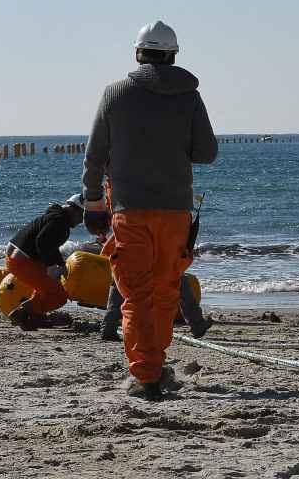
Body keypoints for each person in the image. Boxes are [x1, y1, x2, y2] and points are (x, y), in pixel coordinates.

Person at [82, 20, 218, 400]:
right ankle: (154, 365)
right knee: (164, 292)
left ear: (138, 53)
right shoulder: (190, 97)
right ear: (173, 56)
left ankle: (146, 374)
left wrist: (93, 204)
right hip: (175, 213)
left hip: (129, 211)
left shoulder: (115, 94)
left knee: (136, 295)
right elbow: (206, 153)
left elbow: (94, 156)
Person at [83, 207, 213, 342]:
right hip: (149, 264)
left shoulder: (127, 217)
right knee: (181, 282)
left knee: (117, 292)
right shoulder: (154, 218)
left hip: (124, 263)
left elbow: (107, 251)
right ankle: (197, 325)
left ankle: (108, 328)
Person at [5, 194, 86, 331]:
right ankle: (22, 312)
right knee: (59, 297)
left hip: (18, 258)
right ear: (75, 210)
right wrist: (54, 265)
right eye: (82, 216)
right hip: (22, 262)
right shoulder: (59, 222)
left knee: (44, 290)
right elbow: (42, 242)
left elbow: (47, 244)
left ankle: (35, 317)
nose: (81, 221)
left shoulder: (56, 216)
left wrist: (58, 263)